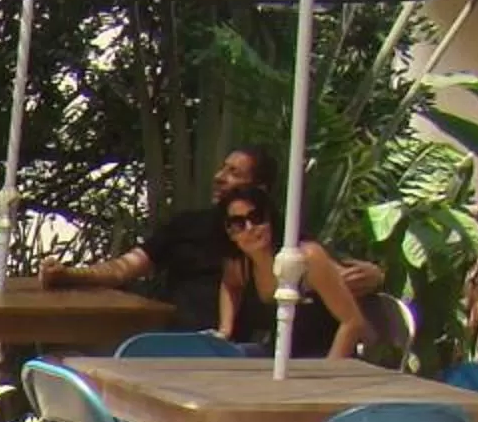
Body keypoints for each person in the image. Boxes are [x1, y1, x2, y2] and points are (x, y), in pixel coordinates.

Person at [40, 147, 379, 330]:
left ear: (259, 191)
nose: (220, 177)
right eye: (222, 168)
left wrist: (375, 276)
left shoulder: (277, 236)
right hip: (179, 340)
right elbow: (123, 268)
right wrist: (70, 274)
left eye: (234, 173)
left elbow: (336, 281)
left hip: (243, 356)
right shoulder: (187, 226)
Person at [215, 183, 368, 361]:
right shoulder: (241, 265)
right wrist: (225, 329)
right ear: (228, 233)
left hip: (322, 360)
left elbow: (352, 322)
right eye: (237, 223)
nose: (250, 227)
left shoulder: (306, 258)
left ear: (270, 218)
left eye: (256, 217)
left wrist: (328, 372)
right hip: (278, 358)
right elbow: (229, 285)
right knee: (218, 358)